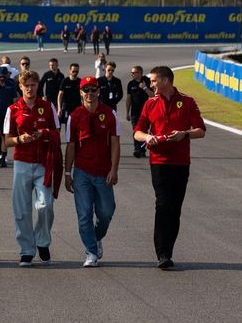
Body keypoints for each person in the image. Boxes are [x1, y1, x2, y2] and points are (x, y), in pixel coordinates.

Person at [133, 66, 206, 270]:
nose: (151, 84)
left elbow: (201, 130)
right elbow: (138, 132)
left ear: (166, 80)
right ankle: (162, 253)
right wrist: (148, 137)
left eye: (154, 81)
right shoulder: (150, 103)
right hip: (159, 162)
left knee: (175, 208)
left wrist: (184, 134)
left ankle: (168, 250)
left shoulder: (188, 101)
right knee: (163, 204)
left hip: (181, 163)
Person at [4, 70, 61, 266]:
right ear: (20, 87)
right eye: (26, 85)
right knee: (21, 210)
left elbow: (57, 133)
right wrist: (20, 139)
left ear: (38, 86)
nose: (30, 88)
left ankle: (42, 241)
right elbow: (6, 141)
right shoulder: (12, 109)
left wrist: (44, 133)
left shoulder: (47, 106)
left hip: (43, 162)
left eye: (33, 84)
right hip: (21, 162)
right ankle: (26, 250)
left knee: (45, 205)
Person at [64, 76, 120, 267]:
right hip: (82, 172)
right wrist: (67, 173)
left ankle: (96, 237)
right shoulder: (75, 116)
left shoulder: (110, 114)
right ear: (81, 92)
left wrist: (114, 169)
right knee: (84, 214)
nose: (90, 93)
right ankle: (91, 252)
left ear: (98, 91)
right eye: (86, 90)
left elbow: (115, 143)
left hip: (103, 172)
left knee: (106, 212)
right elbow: (71, 146)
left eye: (93, 90)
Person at [126, 65, 153, 158]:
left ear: (140, 73)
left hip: (146, 111)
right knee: (136, 130)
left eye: (134, 72)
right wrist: (127, 112)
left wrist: (145, 88)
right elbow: (128, 98)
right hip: (134, 111)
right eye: (131, 72)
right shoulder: (130, 84)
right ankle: (137, 149)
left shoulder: (147, 81)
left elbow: (153, 95)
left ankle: (142, 149)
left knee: (144, 130)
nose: (132, 74)